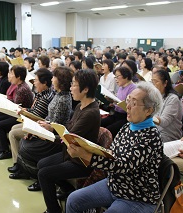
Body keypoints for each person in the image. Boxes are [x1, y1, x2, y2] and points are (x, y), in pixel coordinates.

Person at [66, 81, 164, 213]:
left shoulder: (151, 136)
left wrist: (87, 156)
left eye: (133, 103)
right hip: (115, 184)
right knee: (73, 200)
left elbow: (123, 165)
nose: (127, 106)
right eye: (128, 100)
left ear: (149, 110)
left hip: (137, 196)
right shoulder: (127, 126)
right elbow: (113, 153)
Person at [38, 69, 100, 213]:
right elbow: (69, 127)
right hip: (70, 152)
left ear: (85, 89)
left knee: (44, 174)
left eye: (74, 85)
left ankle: (53, 210)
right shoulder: (80, 105)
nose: (71, 88)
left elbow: (69, 137)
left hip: (79, 160)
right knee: (41, 164)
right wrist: (51, 127)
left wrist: (49, 135)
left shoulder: (91, 113)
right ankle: (67, 189)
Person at [9, 66, 73, 191]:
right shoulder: (58, 95)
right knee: (24, 141)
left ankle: (36, 176)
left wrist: (38, 130)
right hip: (48, 130)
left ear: (60, 81)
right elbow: (49, 119)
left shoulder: (63, 99)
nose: (52, 80)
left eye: (54, 77)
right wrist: (36, 129)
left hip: (54, 138)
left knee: (27, 146)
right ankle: (30, 172)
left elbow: (56, 125)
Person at [7, 68, 55, 173]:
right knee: (14, 127)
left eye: (36, 80)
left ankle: (19, 166)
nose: (34, 83)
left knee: (13, 133)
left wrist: (24, 112)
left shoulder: (45, 97)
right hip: (35, 121)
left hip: (39, 125)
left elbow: (37, 116)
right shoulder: (42, 93)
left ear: (45, 83)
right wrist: (25, 110)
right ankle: (19, 161)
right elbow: (34, 110)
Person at [0, 65, 34, 160]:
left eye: (11, 73)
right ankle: (2, 145)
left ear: (18, 76)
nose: (9, 76)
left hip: (22, 116)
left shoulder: (22, 89)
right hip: (18, 113)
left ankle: (5, 151)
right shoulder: (19, 86)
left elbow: (15, 107)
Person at [100, 66, 136, 138]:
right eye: (115, 77)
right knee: (99, 123)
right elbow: (118, 102)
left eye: (117, 76)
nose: (115, 79)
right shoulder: (121, 87)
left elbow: (129, 107)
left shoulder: (133, 88)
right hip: (116, 114)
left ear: (125, 76)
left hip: (125, 117)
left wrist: (116, 103)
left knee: (108, 130)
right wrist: (112, 102)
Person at [152, 70, 183, 142]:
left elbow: (164, 122)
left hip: (168, 136)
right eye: (152, 82)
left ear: (165, 83)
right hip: (155, 131)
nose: (153, 85)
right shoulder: (155, 96)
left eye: (156, 82)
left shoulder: (173, 99)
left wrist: (145, 115)